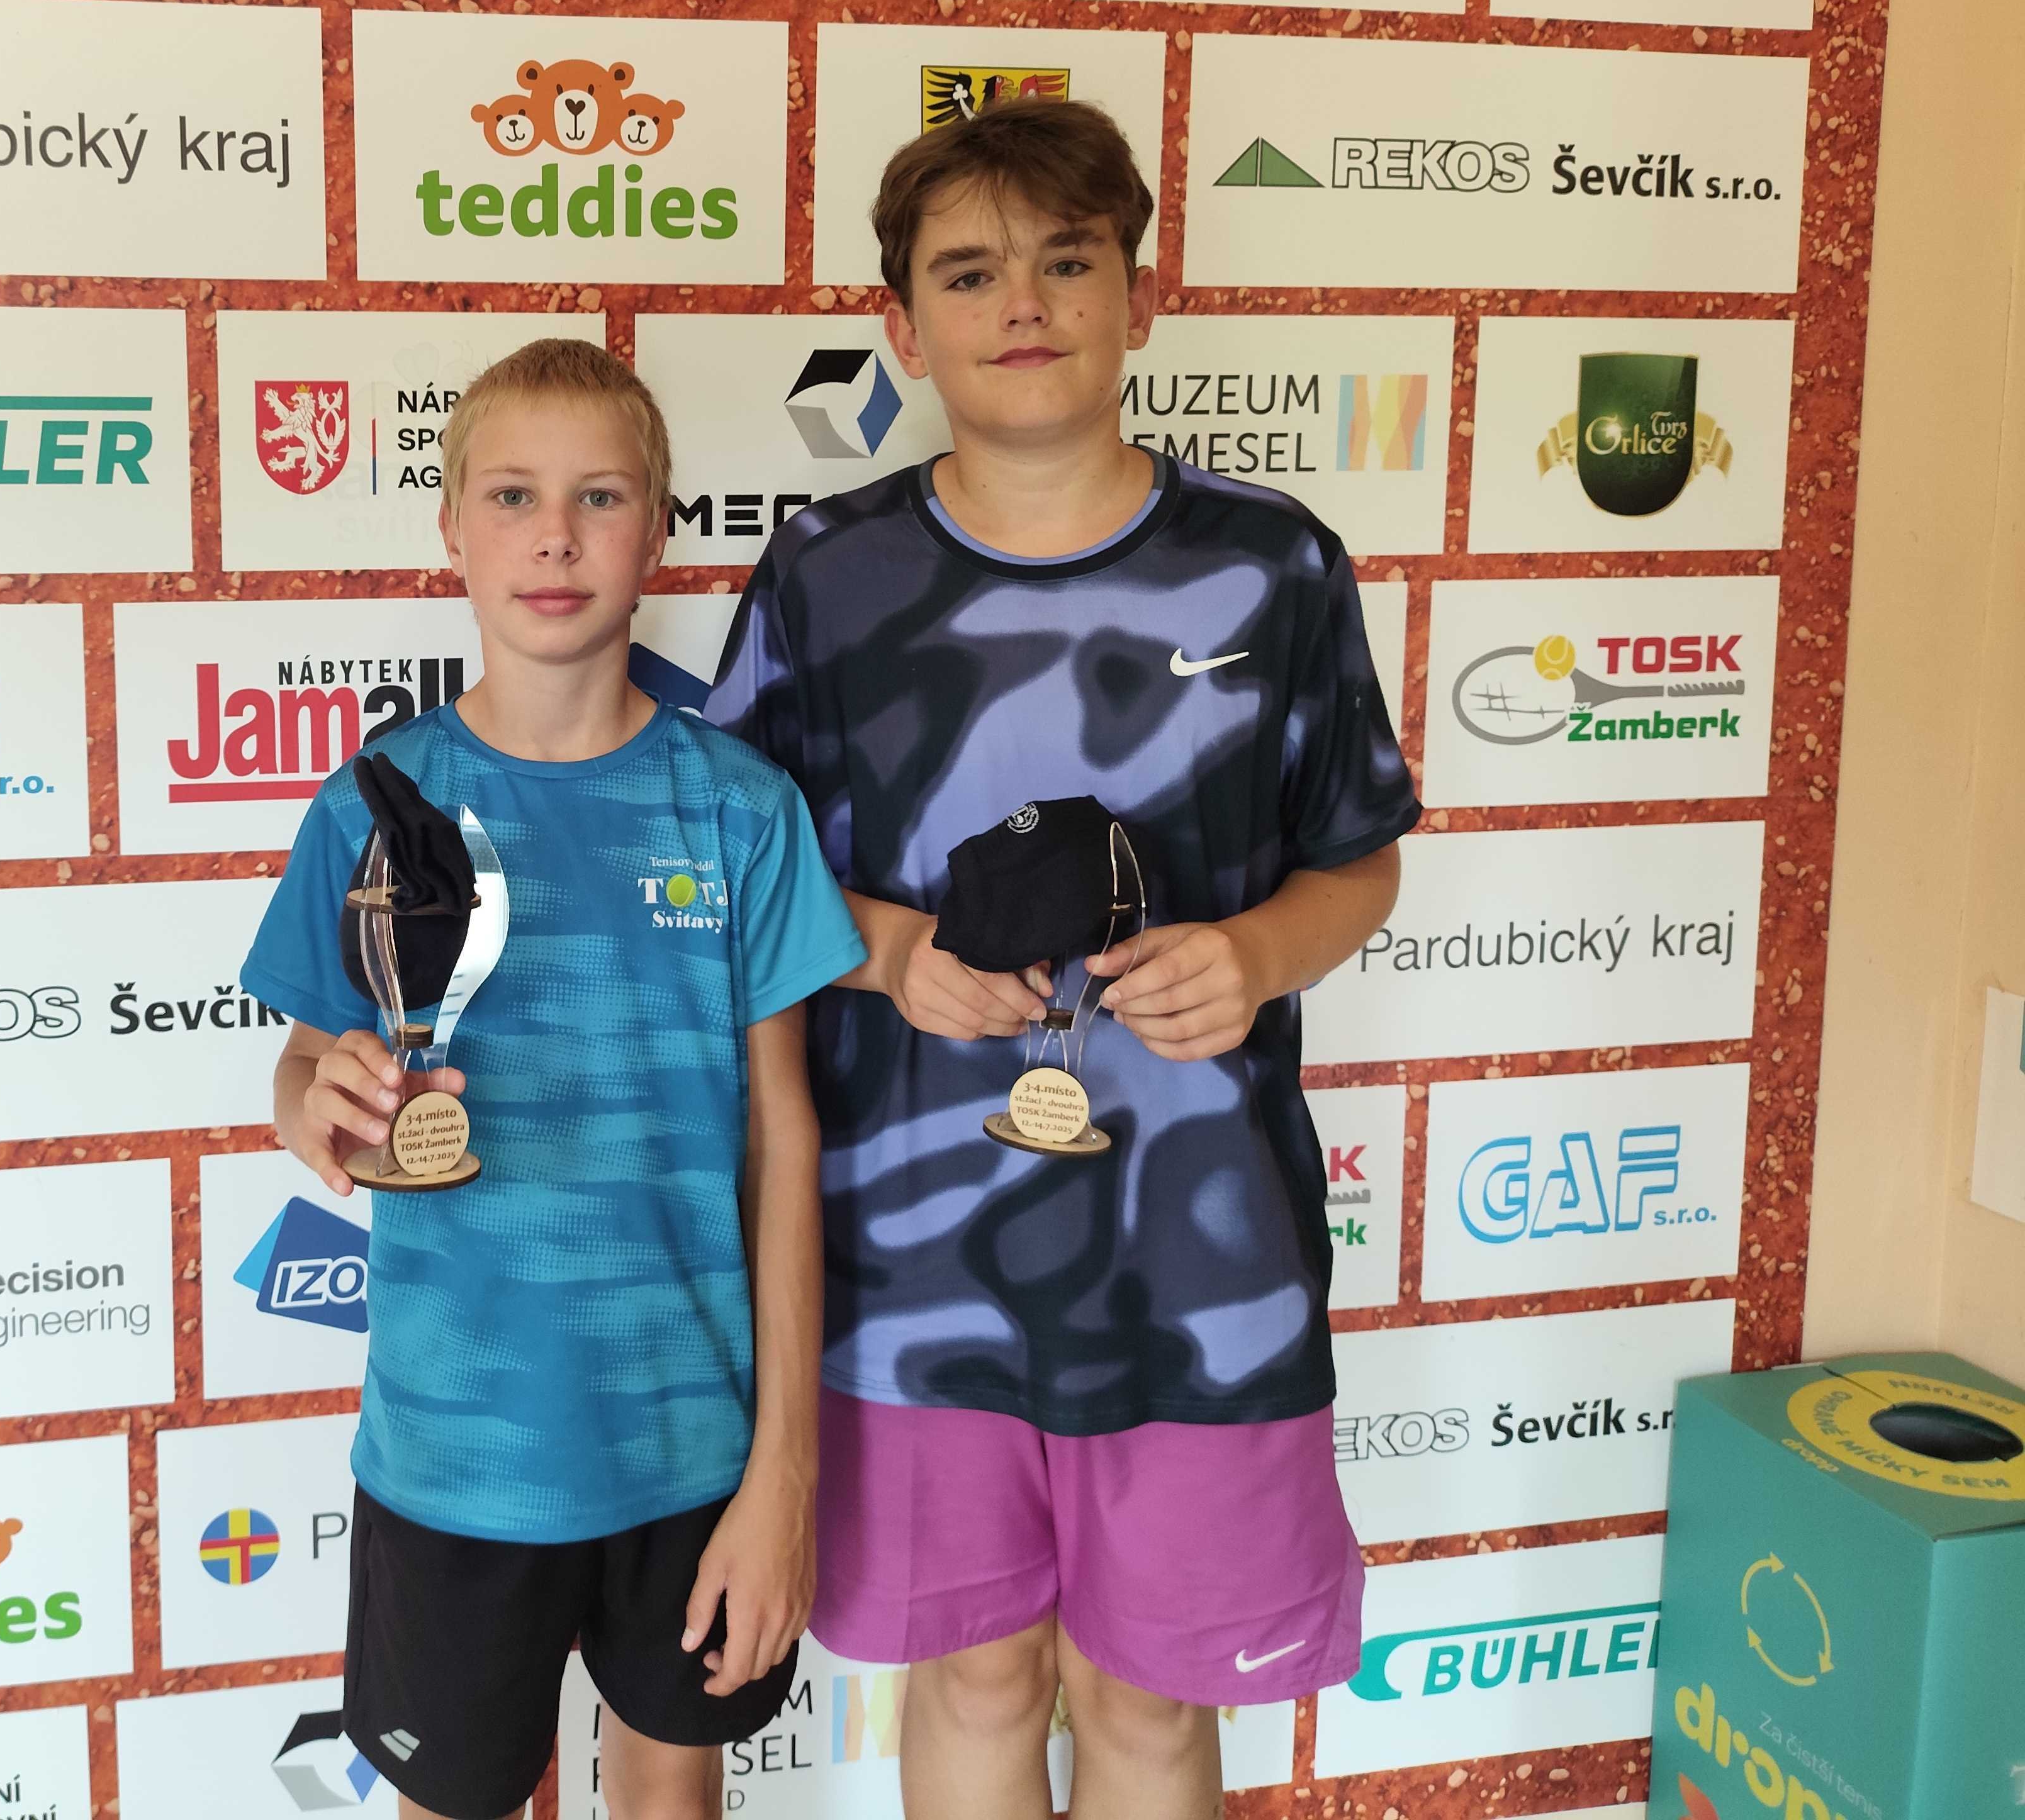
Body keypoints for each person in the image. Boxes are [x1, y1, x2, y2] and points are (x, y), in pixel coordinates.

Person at [704, 98, 1418, 1820]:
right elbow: (727, 869)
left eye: (1067, 261)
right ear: (901, 327)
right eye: (968, 273)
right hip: (910, 1268)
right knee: (975, 1672)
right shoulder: (824, 574)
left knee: (1151, 1702)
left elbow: (1360, 856)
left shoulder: (1271, 565)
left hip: (1199, 1274)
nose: (1021, 303)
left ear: (1139, 297)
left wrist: (1254, 952)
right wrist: (887, 953)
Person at [245, 339, 865, 1820]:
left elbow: (782, 1142)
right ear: (450, 527)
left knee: (671, 1795)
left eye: (599, 495)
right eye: (512, 494)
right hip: (455, 1447)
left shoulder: (738, 808)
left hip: (692, 1446)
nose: (554, 536)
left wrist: (783, 1469)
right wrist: (309, 1103)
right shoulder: (376, 801)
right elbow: (303, 1064)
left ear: (657, 531)